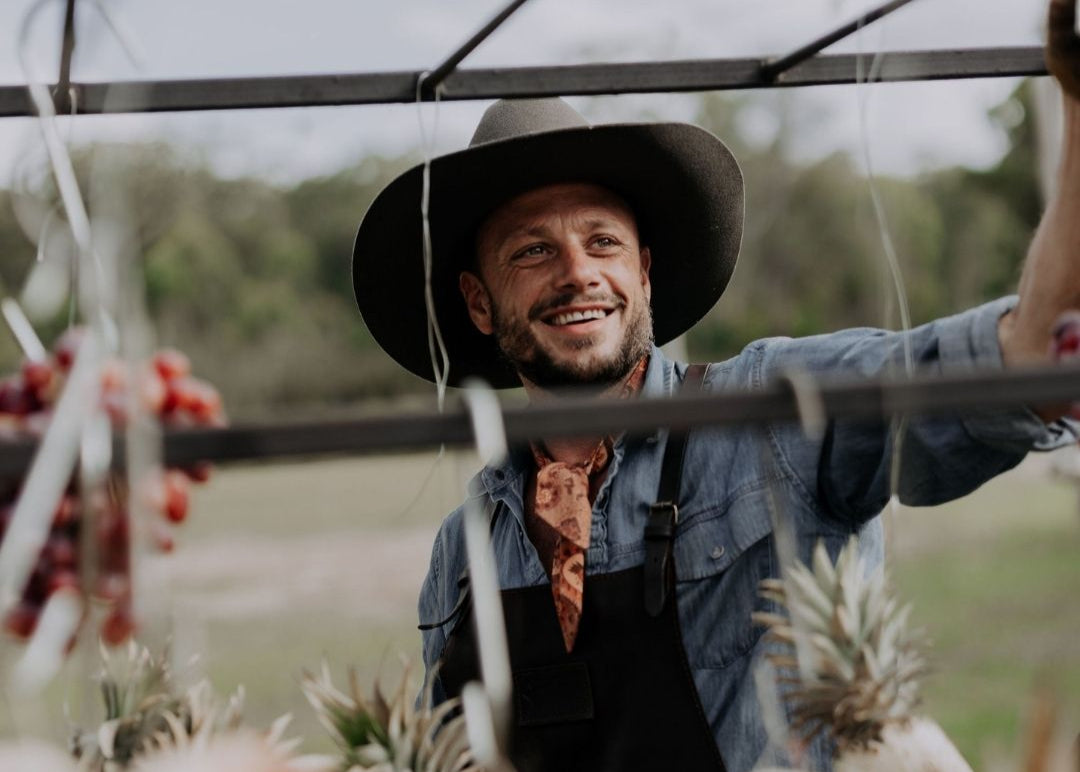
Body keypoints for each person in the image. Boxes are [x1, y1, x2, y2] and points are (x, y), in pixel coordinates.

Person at [350, 6, 1080, 769]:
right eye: (533, 251)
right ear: (477, 302)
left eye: (603, 241)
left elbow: (1030, 359)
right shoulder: (462, 553)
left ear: (644, 272)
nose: (578, 273)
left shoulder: (769, 411)